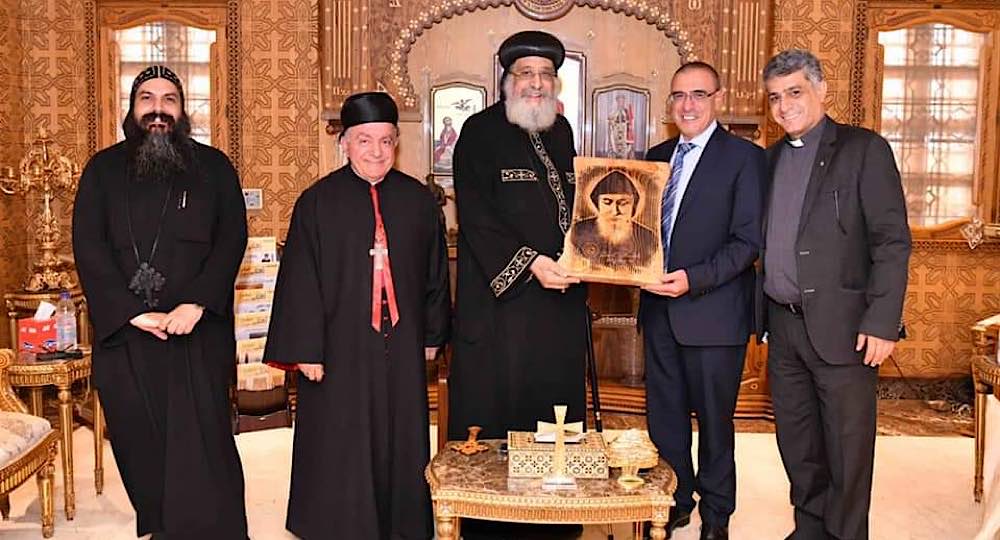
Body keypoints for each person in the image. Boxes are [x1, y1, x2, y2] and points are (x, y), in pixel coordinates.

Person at [263, 92, 451, 540]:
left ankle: (401, 525)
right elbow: (300, 281)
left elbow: (436, 273)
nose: (376, 151)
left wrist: (432, 334)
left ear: (397, 143)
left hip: (401, 344)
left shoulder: (419, 202)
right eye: (365, 140)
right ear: (345, 143)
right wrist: (306, 349)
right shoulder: (316, 203)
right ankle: (337, 524)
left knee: (401, 432)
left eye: (386, 141)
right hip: (337, 346)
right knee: (339, 435)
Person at [72, 65, 249, 538]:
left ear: (182, 110)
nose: (158, 109)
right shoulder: (101, 170)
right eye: (147, 98)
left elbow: (231, 239)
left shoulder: (214, 168)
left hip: (196, 331)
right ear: (132, 109)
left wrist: (197, 304)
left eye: (169, 99)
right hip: (128, 334)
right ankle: (161, 526)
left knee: (205, 442)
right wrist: (131, 313)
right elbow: (88, 246)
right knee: (139, 441)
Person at [760, 49, 911, 540]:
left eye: (795, 92)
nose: (784, 106)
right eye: (775, 97)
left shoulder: (864, 149)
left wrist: (882, 323)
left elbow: (892, 241)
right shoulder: (769, 160)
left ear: (822, 90)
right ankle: (809, 531)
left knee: (847, 451)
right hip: (783, 328)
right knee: (798, 446)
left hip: (846, 330)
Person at [447, 30, 587, 539]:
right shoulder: (479, 132)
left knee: (555, 413)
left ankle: (556, 521)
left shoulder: (562, 131)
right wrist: (532, 264)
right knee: (501, 413)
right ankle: (494, 526)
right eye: (526, 73)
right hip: (502, 308)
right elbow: (477, 217)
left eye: (546, 74)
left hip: (560, 307)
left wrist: (592, 253)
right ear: (506, 81)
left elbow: (580, 209)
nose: (536, 83)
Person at [640, 61, 764, 540]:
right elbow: (639, 232)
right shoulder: (654, 157)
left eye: (698, 94)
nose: (687, 105)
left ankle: (716, 515)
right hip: (658, 311)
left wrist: (693, 279)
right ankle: (674, 501)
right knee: (664, 420)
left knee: (714, 423)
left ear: (718, 99)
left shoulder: (745, 158)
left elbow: (747, 242)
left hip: (714, 313)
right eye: (678, 95)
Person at [569, 169, 656, 270]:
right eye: (607, 202)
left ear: (634, 205)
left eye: (623, 203)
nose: (615, 211)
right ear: (597, 204)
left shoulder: (649, 238)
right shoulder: (578, 232)